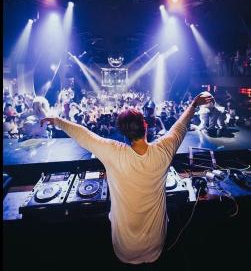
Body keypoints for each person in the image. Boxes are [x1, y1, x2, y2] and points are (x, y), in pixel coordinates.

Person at [40, 92, 212, 265]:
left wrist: (57, 120)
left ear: (122, 131)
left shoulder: (113, 152)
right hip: (156, 243)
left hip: (125, 247)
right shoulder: (164, 150)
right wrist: (193, 105)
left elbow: (84, 135)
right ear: (145, 125)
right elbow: (180, 126)